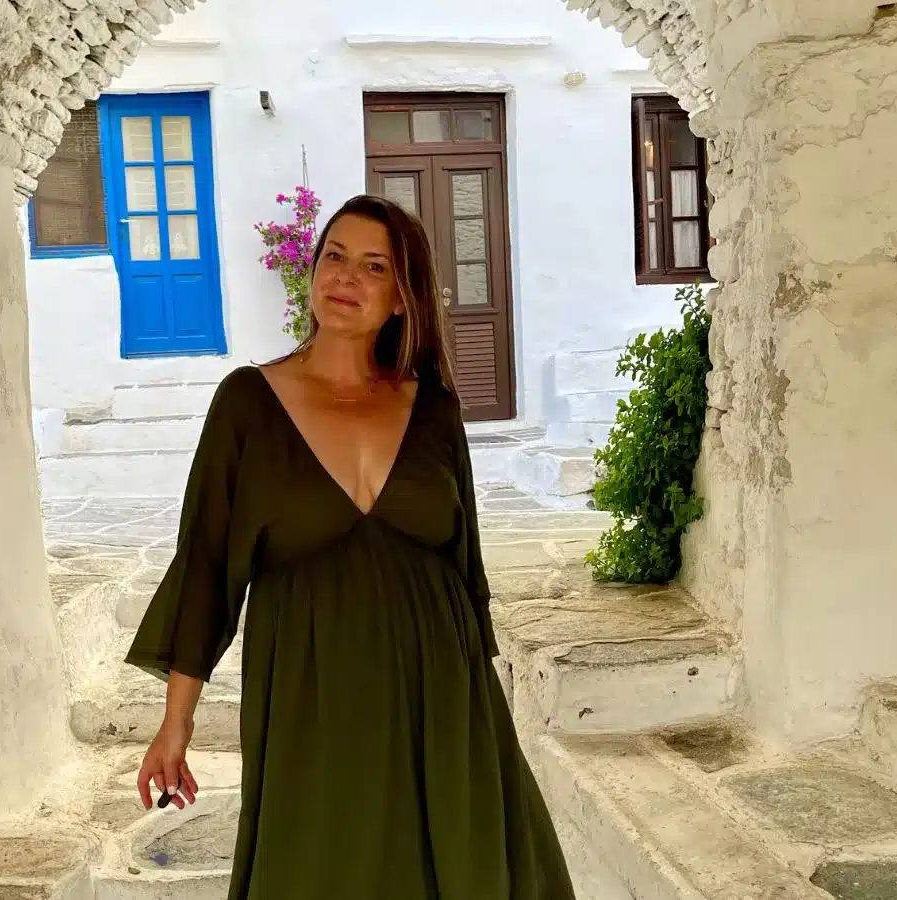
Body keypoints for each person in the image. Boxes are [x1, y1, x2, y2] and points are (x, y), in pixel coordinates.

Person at [125, 194, 576, 899]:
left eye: (374, 266)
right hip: (312, 692)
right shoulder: (247, 402)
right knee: (317, 866)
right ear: (311, 271)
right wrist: (173, 725)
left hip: (442, 691)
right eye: (334, 256)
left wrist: (485, 724)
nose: (346, 277)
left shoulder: (433, 409)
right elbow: (205, 569)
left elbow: (468, 569)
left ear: (401, 298)